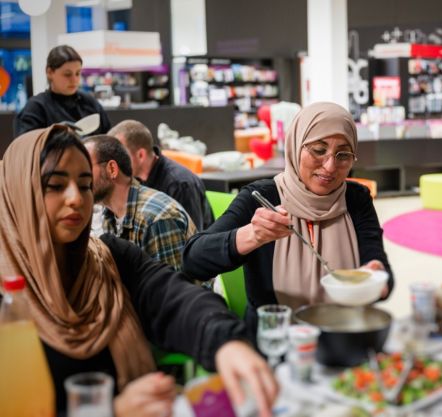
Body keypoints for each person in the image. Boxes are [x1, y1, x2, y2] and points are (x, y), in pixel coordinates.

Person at [0, 125, 277, 416]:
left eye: (84, 184)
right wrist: (110, 411)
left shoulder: (107, 259)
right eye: (55, 185)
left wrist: (227, 342)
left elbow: (175, 297)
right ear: (19, 192)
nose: (76, 199)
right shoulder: (9, 296)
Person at [182, 102, 394, 333]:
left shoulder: (356, 199)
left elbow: (382, 272)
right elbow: (193, 260)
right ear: (295, 146)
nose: (330, 166)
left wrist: (376, 281)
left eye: (343, 154)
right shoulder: (262, 197)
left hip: (342, 333)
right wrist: (252, 236)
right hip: (277, 340)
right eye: (318, 150)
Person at [84, 135, 196, 271]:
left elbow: (173, 289)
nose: (81, 180)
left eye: (86, 169)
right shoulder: (109, 215)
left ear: (112, 169)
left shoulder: (155, 219)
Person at [108, 120, 214, 230]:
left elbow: (191, 238)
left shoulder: (180, 185)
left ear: (141, 155)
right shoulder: (135, 180)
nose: (116, 163)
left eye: (121, 155)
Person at [14, 45, 111, 137]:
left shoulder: (90, 103)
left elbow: (107, 138)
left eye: (77, 73)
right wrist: (53, 134)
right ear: (50, 72)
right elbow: (25, 147)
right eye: (67, 74)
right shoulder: (36, 108)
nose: (74, 80)